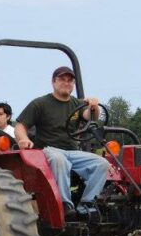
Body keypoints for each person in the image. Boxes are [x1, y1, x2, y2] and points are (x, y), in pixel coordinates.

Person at [14, 66, 110, 221]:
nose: (66, 83)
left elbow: (91, 117)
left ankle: (86, 204)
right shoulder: (40, 103)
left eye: (70, 80)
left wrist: (94, 106)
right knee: (59, 159)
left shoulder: (77, 104)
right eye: (62, 79)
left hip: (73, 151)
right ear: (53, 82)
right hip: (48, 150)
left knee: (102, 163)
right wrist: (23, 139)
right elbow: (20, 126)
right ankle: (65, 204)